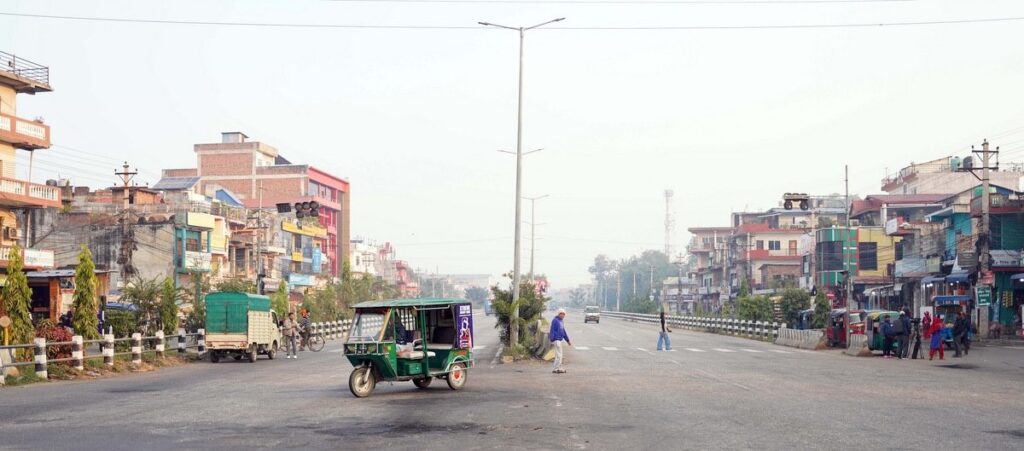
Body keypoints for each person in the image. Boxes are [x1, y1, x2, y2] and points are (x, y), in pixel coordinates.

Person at [549, 308, 572, 374]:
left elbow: (563, 331)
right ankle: (557, 368)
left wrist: (567, 340)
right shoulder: (555, 320)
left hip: (559, 340)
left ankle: (557, 368)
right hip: (556, 339)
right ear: (558, 314)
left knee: (558, 355)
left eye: (563, 314)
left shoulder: (561, 321)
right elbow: (552, 330)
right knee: (559, 355)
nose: (562, 315)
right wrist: (552, 339)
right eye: (561, 314)